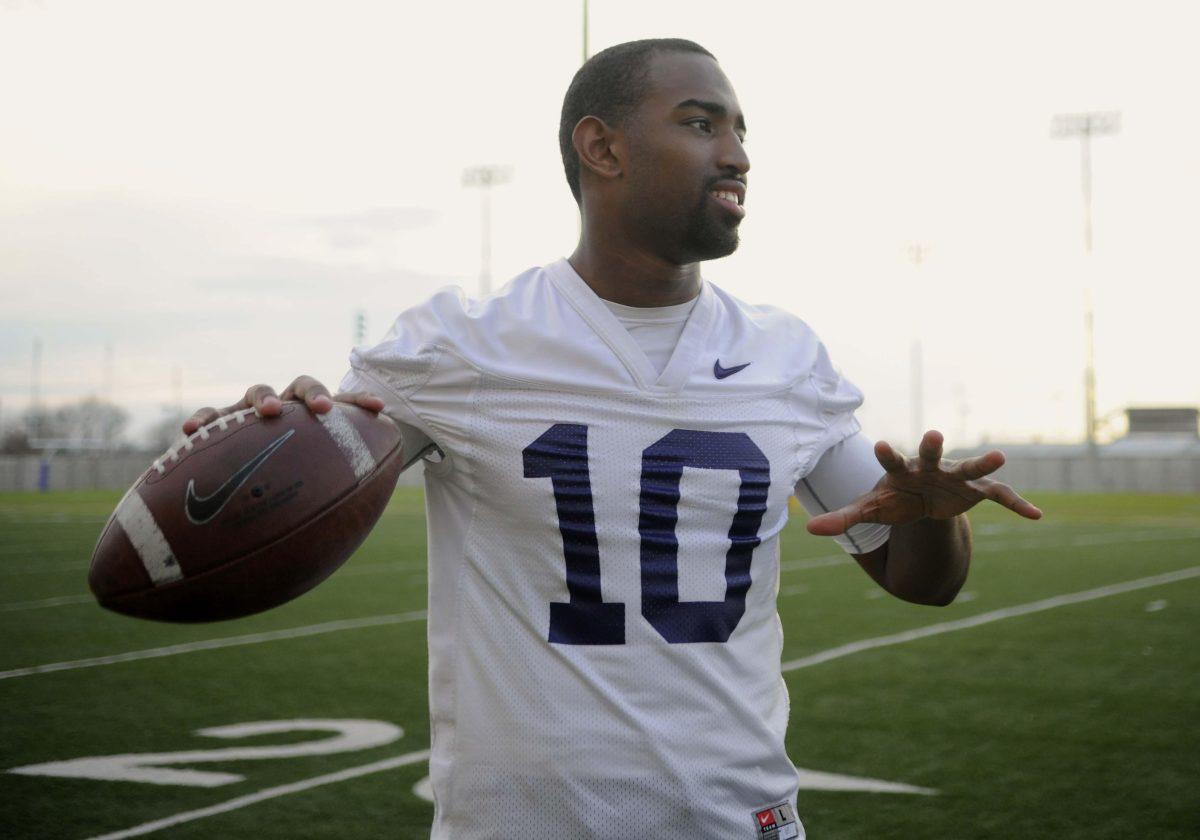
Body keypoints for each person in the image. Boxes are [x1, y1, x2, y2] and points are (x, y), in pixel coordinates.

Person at [184, 38, 1041, 840]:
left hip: (738, 821)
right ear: (602, 148)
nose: (737, 154)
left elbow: (921, 582)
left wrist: (930, 516)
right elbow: (316, 470)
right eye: (702, 124)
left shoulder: (785, 358)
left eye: (741, 131)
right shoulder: (460, 347)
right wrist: (268, 444)